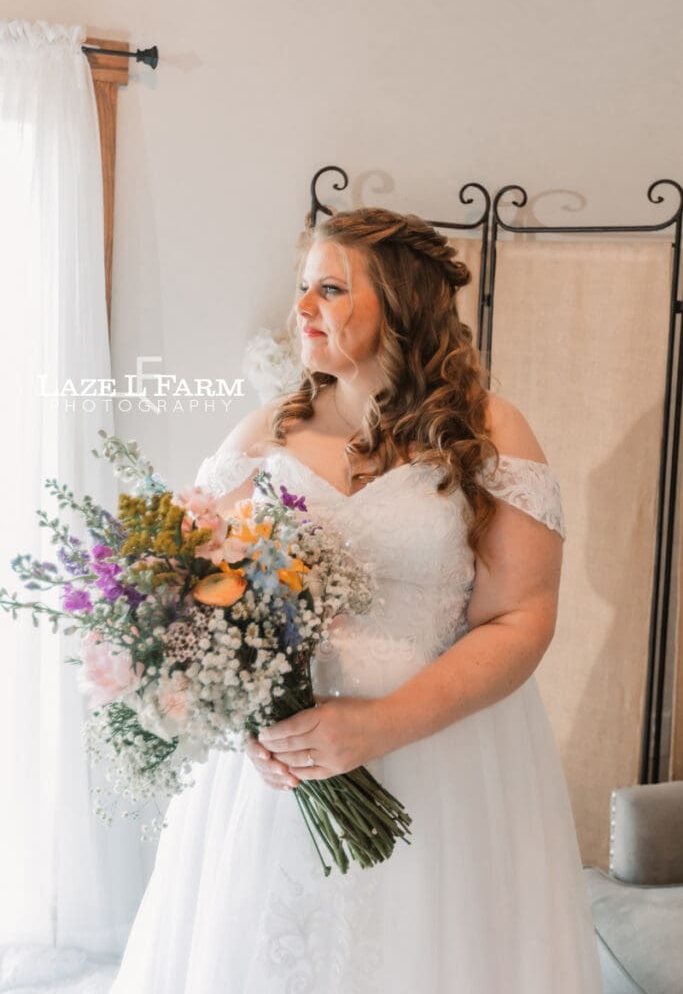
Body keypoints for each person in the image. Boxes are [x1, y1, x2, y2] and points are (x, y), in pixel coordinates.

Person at [110, 207, 604, 993]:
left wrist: (380, 725)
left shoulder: (489, 433)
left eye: (331, 289)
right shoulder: (264, 434)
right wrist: (245, 719)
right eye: (303, 286)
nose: (302, 307)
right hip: (283, 772)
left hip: (442, 757)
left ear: (401, 304)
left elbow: (520, 618)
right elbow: (195, 595)